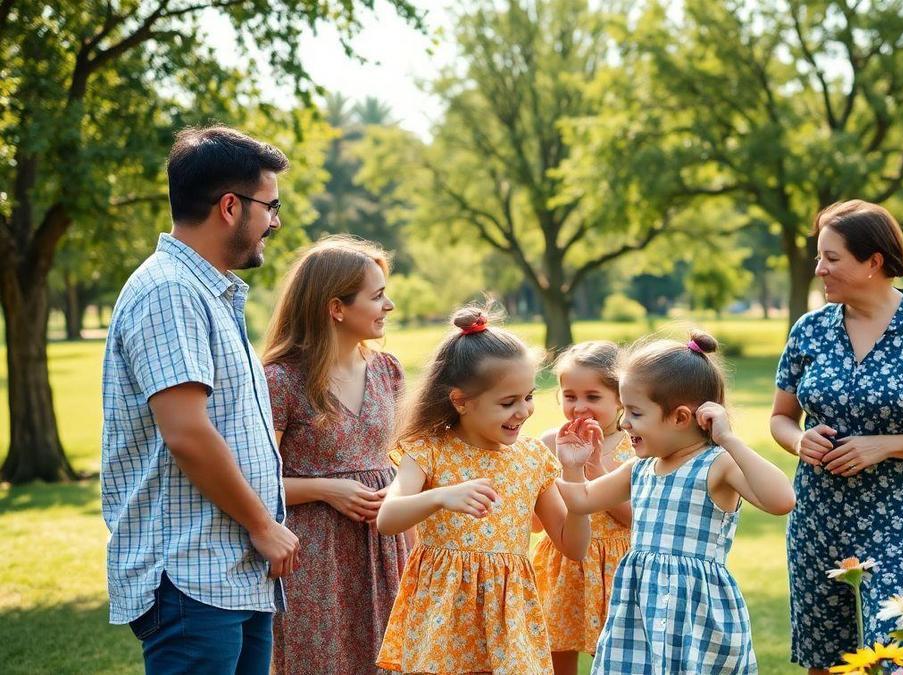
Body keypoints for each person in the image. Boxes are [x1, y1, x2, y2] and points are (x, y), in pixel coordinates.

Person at [100, 125, 298, 673]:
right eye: (271, 206)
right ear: (231, 207)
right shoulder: (170, 291)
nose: (275, 222)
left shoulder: (207, 291)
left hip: (230, 572)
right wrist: (262, 524)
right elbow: (186, 432)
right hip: (191, 574)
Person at [769, 200, 903, 674]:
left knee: (892, 657)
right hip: (817, 517)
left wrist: (885, 444)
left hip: (900, 519)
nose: (820, 269)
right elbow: (781, 418)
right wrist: (796, 441)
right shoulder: (809, 330)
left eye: (832, 258)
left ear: (874, 262)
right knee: (824, 660)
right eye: (818, 257)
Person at [557, 331, 796, 674]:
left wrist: (729, 439)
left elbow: (782, 500)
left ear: (681, 418)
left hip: (697, 614)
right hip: (641, 611)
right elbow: (581, 501)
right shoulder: (638, 468)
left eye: (635, 413)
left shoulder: (718, 464)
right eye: (625, 410)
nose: (624, 423)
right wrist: (572, 464)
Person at [373, 306, 592, 674]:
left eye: (528, 397)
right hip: (445, 618)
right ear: (460, 401)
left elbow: (574, 546)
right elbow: (388, 519)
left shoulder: (532, 458)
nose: (523, 412)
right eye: (507, 403)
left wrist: (574, 472)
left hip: (509, 619)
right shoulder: (430, 450)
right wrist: (440, 496)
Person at [261, 235, 411, 674]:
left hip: (387, 548)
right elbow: (252, 482)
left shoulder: (389, 370)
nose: (390, 306)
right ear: (336, 307)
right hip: (315, 559)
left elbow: (409, 464)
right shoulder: (281, 380)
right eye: (378, 296)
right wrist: (326, 490)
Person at [531, 341, 634, 674]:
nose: (579, 407)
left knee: (616, 654)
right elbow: (534, 523)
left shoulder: (635, 444)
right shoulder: (550, 443)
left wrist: (594, 471)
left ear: (620, 398)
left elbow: (634, 518)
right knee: (556, 650)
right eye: (570, 396)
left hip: (615, 564)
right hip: (562, 561)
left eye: (593, 397)